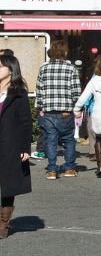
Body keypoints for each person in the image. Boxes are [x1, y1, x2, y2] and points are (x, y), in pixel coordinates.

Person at [36, 39, 80, 179]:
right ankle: (69, 168)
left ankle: (52, 170)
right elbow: (76, 92)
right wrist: (77, 108)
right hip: (65, 111)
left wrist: (40, 108)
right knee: (68, 140)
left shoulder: (43, 68)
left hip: (48, 111)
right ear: (65, 52)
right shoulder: (71, 69)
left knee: (51, 140)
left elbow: (39, 90)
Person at [0, 54, 33, 239]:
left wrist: (25, 148)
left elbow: (25, 122)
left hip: (9, 143)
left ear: (10, 69)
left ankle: (3, 224)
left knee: (7, 185)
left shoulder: (18, 92)